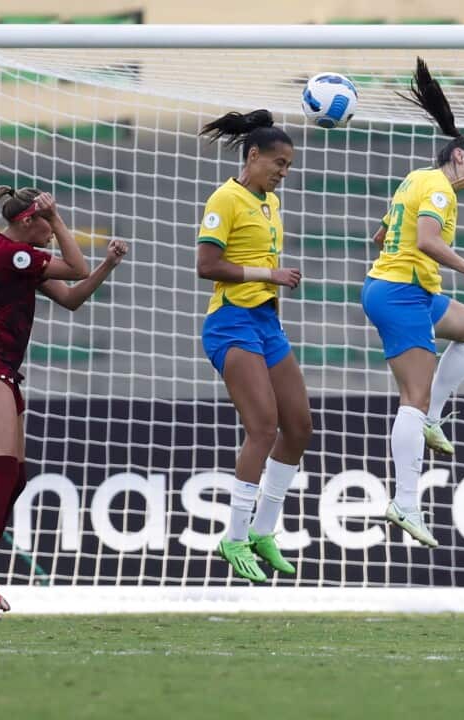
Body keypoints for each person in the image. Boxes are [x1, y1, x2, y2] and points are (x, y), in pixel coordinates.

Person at [0, 186, 128, 618]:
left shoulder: (14, 256)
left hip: (1, 368)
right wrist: (64, 224)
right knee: (3, 468)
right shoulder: (13, 253)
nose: (53, 229)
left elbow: (72, 298)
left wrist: (106, 265)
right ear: (30, 221)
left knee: (16, 478)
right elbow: (75, 266)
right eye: (48, 220)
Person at [362, 58, 464, 548]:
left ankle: (436, 415)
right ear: (459, 156)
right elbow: (426, 241)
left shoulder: (417, 178)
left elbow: (382, 233)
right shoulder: (440, 190)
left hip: (410, 290)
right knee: (411, 400)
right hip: (400, 294)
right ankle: (405, 502)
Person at [197, 110, 312, 584]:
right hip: (230, 323)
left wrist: (271, 290)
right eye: (278, 162)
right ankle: (235, 536)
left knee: (300, 428)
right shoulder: (225, 197)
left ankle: (265, 530)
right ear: (253, 155)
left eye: (288, 165)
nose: (283, 171)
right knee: (263, 428)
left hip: (265, 322)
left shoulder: (271, 202)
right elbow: (207, 264)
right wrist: (271, 276)